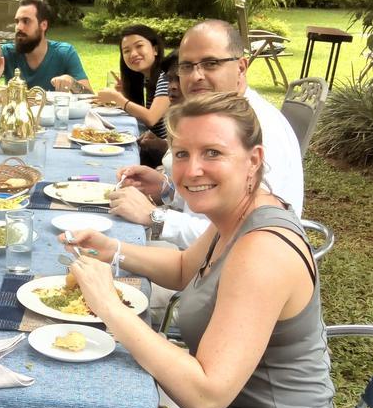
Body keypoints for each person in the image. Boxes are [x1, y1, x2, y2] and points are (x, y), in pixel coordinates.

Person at [13, 92, 333, 408]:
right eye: (182, 154)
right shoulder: (239, 215)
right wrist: (112, 248)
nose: (192, 169)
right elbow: (186, 268)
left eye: (212, 153)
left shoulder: (263, 250)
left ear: (254, 160)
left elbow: (204, 395)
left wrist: (111, 307)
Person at [109, 20, 304, 248]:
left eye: (211, 63)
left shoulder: (258, 129)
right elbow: (214, 197)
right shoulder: (217, 115)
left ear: (241, 67)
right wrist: (166, 189)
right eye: (187, 66)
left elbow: (241, 234)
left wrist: (154, 217)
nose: (196, 76)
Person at [0, 0, 90, 93]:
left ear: (43, 25)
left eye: (26, 21)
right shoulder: (6, 53)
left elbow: (89, 96)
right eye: (17, 21)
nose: (18, 27)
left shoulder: (65, 53)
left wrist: (73, 83)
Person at [95, 24, 171, 136]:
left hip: (170, 150)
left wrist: (117, 98)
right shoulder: (147, 78)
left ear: (155, 49)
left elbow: (151, 118)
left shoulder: (166, 76)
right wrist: (124, 93)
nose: (133, 54)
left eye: (139, 46)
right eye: (126, 51)